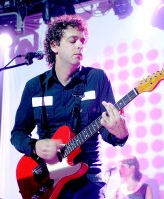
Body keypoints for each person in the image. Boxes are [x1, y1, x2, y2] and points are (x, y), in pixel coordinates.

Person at [10, 14, 129, 199]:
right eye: (73, 40)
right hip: (45, 180)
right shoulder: (34, 86)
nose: (80, 45)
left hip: (87, 180)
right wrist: (35, 146)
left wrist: (120, 133)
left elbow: (108, 132)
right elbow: (17, 134)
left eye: (83, 41)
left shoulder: (97, 78)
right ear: (54, 45)